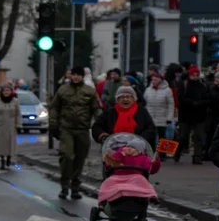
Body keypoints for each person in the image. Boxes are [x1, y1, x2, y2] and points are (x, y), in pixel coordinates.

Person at [48, 66, 101, 199]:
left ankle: (75, 186)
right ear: (70, 76)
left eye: (79, 75)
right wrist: (53, 124)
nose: (76, 77)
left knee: (80, 158)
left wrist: (100, 123)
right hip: (66, 129)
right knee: (66, 155)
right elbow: (54, 107)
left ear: (82, 76)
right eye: (74, 74)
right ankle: (64, 186)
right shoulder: (63, 90)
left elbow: (96, 109)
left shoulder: (89, 91)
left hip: (83, 129)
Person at [92, 86, 159, 149]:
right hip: (113, 148)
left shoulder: (142, 111)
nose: (125, 99)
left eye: (128, 96)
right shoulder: (109, 112)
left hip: (137, 148)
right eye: (121, 97)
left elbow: (151, 128)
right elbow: (96, 126)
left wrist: (141, 139)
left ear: (134, 99)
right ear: (117, 99)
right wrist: (103, 136)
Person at [176, 65, 213, 164]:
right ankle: (177, 151)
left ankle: (197, 156)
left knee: (199, 136)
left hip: (199, 115)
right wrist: (191, 103)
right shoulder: (183, 85)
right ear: (190, 75)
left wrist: (200, 103)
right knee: (183, 136)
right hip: (185, 115)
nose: (195, 77)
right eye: (193, 75)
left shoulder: (203, 85)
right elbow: (180, 98)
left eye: (197, 75)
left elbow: (209, 99)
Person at [0, 84, 20, 170]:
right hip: (0, 126)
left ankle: (9, 157)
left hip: (11, 126)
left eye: (8, 90)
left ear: (11, 92)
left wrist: (18, 125)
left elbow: (18, 114)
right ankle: (2, 160)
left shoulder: (15, 101)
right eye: (4, 91)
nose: (6, 92)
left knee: (10, 144)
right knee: (1, 144)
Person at [143, 73, 176, 148]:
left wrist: (169, 118)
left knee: (162, 137)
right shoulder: (148, 90)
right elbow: (145, 103)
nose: (154, 81)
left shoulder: (167, 90)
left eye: (156, 79)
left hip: (162, 117)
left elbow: (170, 105)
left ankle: (162, 154)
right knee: (151, 136)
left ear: (161, 80)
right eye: (153, 79)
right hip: (150, 117)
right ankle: (152, 152)